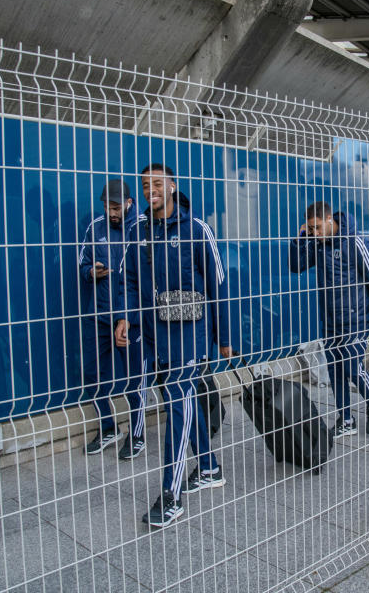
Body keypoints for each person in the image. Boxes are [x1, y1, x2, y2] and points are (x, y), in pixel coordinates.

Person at [116, 164, 233, 527]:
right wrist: (126, 317)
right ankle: (209, 468)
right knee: (179, 399)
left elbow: (218, 284)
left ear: (172, 186)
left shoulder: (197, 229)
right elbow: (130, 281)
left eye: (157, 183)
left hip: (188, 334)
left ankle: (171, 493)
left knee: (178, 407)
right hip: (154, 334)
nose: (151, 189)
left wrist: (224, 339)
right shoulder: (137, 231)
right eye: (145, 185)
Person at [288, 201, 369, 437]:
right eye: (311, 228)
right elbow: (296, 266)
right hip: (330, 320)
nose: (315, 233)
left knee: (353, 368)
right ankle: (347, 419)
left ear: (330, 220)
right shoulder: (317, 244)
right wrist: (300, 239)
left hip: (355, 318)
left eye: (318, 227)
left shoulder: (353, 241)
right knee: (336, 371)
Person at [78, 179, 151, 459]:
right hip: (98, 314)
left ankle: (137, 434)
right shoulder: (95, 227)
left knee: (135, 380)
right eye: (108, 207)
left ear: (130, 203)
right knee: (93, 375)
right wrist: (90, 271)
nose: (112, 213)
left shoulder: (143, 227)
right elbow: (82, 261)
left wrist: (129, 316)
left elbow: (144, 276)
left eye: (117, 207)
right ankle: (108, 428)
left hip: (131, 319)